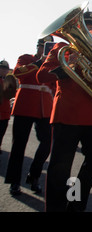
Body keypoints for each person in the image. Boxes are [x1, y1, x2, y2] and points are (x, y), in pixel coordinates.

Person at [36, 10, 92, 211]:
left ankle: (75, 203)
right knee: (60, 170)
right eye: (87, 27)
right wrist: (67, 64)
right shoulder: (62, 48)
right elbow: (42, 76)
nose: (90, 32)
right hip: (67, 115)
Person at [5, 37, 54, 196]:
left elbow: (55, 85)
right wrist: (37, 63)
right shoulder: (26, 58)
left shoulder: (52, 65)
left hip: (44, 107)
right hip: (25, 104)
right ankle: (14, 181)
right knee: (18, 145)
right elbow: (17, 72)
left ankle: (34, 175)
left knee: (47, 143)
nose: (45, 51)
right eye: (43, 47)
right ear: (38, 47)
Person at [0, 60, 16, 154]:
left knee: (1, 132)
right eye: (2, 68)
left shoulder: (8, 80)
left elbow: (11, 94)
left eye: (6, 69)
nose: (4, 70)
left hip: (5, 112)